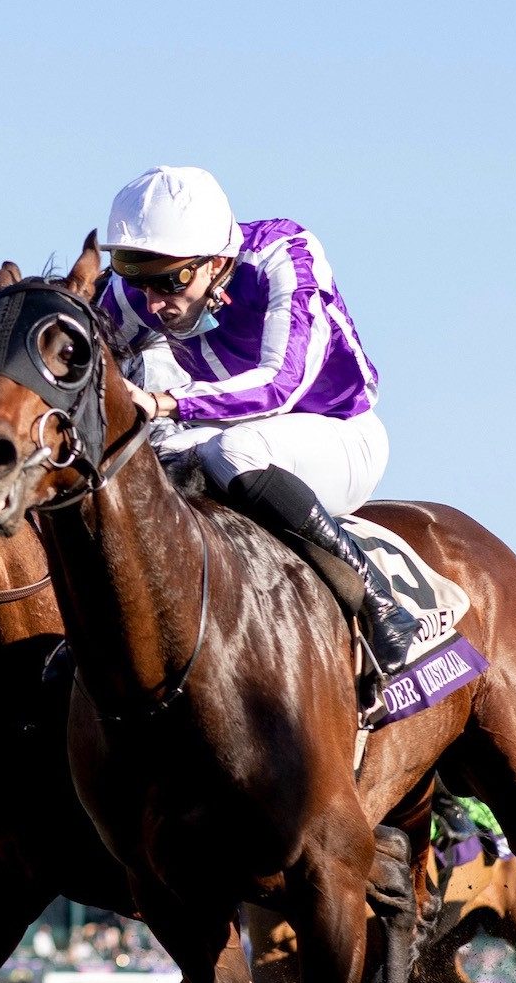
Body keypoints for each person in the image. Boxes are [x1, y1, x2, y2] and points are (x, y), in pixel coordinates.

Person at [94, 165, 418, 694]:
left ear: (217, 261)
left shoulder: (283, 255)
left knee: (233, 450)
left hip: (337, 432)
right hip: (222, 430)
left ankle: (380, 603)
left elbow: (280, 384)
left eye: (170, 281)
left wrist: (164, 401)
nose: (151, 301)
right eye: (136, 278)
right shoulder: (137, 294)